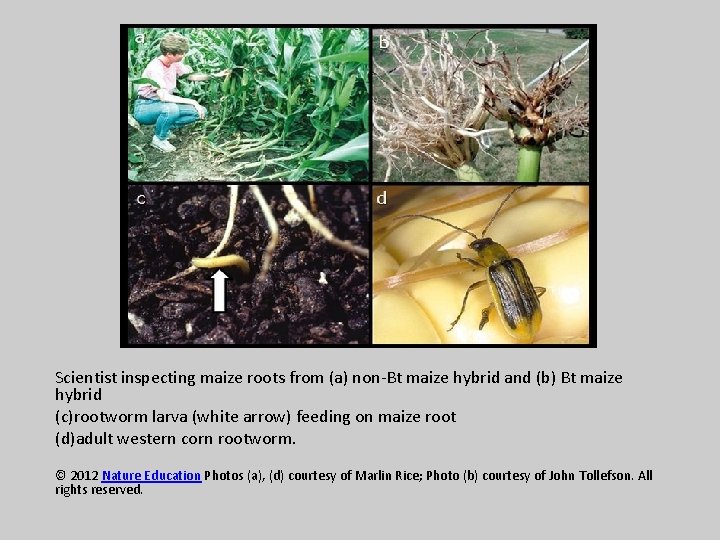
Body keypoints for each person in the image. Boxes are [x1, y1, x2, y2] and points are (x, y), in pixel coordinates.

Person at [133, 32, 229, 153]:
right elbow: (163, 96)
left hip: (162, 105)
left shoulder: (174, 63)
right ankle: (159, 139)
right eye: (181, 53)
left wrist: (216, 75)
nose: (183, 55)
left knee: (199, 112)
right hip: (145, 107)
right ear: (169, 54)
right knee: (171, 109)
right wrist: (193, 101)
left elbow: (191, 76)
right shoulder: (155, 68)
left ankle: (163, 128)